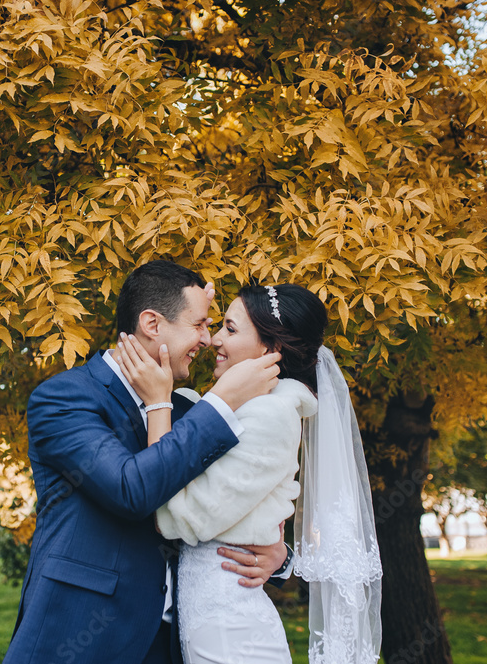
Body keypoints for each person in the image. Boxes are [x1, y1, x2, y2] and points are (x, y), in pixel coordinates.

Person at [3, 261, 292, 664]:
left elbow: (222, 500)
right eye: (199, 325)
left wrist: (278, 554)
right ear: (152, 324)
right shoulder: (65, 398)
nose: (207, 341)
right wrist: (221, 401)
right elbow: (131, 491)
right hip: (80, 636)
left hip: (173, 642)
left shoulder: (184, 408)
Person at [116, 283, 383, 664]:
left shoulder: (270, 417)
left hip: (232, 633)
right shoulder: (234, 409)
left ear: (270, 350)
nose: (214, 340)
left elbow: (171, 515)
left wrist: (158, 403)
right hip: (211, 622)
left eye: (230, 328)